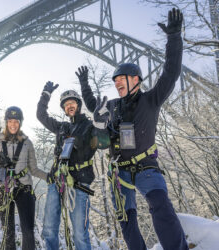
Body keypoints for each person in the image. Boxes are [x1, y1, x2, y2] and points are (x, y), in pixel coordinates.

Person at [80, 8, 188, 250]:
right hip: (119, 173)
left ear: (136, 80)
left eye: (121, 80)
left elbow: (171, 72)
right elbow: (102, 135)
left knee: (161, 207)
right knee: (126, 219)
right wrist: (96, 119)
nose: (117, 84)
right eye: (115, 82)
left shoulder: (151, 99)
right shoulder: (113, 106)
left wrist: (174, 38)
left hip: (145, 167)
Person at [36, 81, 110, 250]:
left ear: (79, 105)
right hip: (57, 181)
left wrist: (100, 125)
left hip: (79, 183)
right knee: (49, 229)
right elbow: (41, 116)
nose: (69, 106)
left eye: (72, 103)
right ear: (64, 109)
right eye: (66, 104)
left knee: (79, 233)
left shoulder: (89, 126)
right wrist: (45, 94)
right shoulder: (62, 127)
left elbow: (103, 143)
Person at [0, 106, 48, 250]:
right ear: (6, 122)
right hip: (3, 188)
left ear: (20, 123)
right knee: (8, 232)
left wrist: (49, 177)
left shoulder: (27, 143)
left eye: (16, 121)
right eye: (10, 121)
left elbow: (33, 169)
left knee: (28, 230)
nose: (13, 124)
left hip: (24, 187)